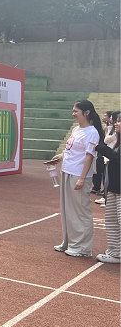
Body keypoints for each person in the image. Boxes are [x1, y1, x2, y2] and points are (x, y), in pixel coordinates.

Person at [48, 99, 104, 258]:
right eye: (73, 111)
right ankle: (69, 242)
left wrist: (82, 178)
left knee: (80, 211)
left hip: (79, 174)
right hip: (67, 171)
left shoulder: (92, 132)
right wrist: (60, 156)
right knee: (68, 209)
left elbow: (89, 156)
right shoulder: (76, 129)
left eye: (76, 111)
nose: (73, 114)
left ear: (87, 113)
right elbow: (70, 150)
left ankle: (82, 248)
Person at [95, 112, 119, 263]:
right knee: (111, 220)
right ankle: (115, 250)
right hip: (113, 188)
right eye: (116, 121)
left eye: (119, 121)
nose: (116, 123)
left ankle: (117, 252)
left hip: (119, 189)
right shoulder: (117, 142)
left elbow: (118, 158)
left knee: (119, 221)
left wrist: (101, 148)